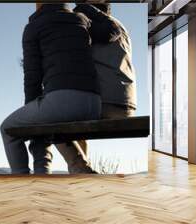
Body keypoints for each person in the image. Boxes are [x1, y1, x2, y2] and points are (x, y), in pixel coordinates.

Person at [0, 3, 101, 174]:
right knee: (43, 122)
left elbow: (32, 79)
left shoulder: (33, 27)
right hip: (94, 102)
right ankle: (42, 176)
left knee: (8, 130)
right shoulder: (81, 20)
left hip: (63, 102)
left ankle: (22, 183)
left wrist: (31, 118)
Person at [56, 3, 137, 173]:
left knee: (51, 118)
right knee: (76, 124)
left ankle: (79, 168)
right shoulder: (120, 26)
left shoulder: (88, 28)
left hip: (104, 104)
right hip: (128, 106)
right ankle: (79, 172)